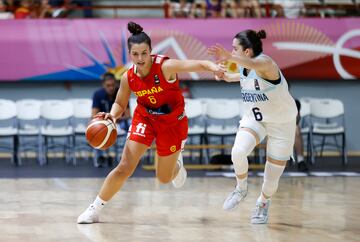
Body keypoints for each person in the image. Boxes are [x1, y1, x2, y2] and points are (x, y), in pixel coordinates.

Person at [77, 21, 224, 224]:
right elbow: (120, 102)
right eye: (135, 54)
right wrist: (113, 114)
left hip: (172, 122)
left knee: (164, 178)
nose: (140, 58)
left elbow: (198, 64)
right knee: (124, 166)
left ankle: (177, 162)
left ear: (150, 51)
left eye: (144, 53)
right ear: (130, 54)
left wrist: (214, 67)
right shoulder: (128, 77)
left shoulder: (166, 67)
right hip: (145, 118)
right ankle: (94, 209)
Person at [208, 29, 297, 224]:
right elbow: (245, 77)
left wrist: (228, 56)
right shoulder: (243, 66)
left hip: (282, 122)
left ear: (247, 52)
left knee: (271, 178)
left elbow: (255, 66)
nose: (231, 51)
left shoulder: (266, 63)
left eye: (234, 49)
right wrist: (226, 76)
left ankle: (263, 202)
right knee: (238, 152)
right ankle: (241, 189)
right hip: (256, 118)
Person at [92, 72, 130, 167]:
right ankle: (100, 157)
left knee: (130, 125)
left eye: (113, 85)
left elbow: (128, 115)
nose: (111, 88)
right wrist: (106, 121)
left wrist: (115, 118)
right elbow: (94, 114)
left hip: (119, 122)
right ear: (104, 85)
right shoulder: (97, 94)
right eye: (108, 85)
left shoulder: (121, 93)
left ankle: (127, 157)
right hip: (103, 123)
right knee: (96, 130)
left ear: (116, 84)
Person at [294, 99, 309, 172]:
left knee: (296, 129)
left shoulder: (293, 102)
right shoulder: (271, 98)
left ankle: (300, 161)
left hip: (288, 126)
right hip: (275, 126)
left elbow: (297, 120)